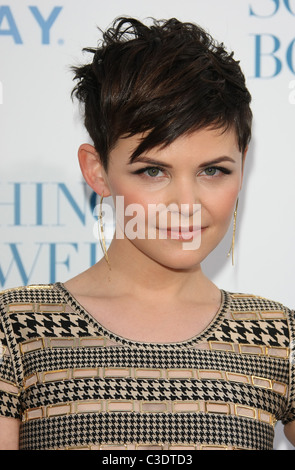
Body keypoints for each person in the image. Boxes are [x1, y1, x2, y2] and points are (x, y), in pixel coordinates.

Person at [0, 16, 294, 451]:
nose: (186, 202)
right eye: (153, 170)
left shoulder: (278, 336)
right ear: (97, 170)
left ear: (243, 165)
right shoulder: (17, 329)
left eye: (213, 170)